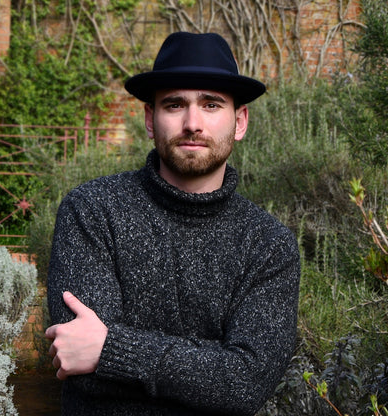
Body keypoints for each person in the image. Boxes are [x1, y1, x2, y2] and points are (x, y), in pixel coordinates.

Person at [45, 31, 300, 416]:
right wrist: (210, 371)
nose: (192, 123)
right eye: (175, 104)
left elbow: (245, 385)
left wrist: (112, 349)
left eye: (211, 104)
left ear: (240, 121)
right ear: (150, 119)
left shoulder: (268, 244)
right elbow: (79, 363)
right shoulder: (93, 210)